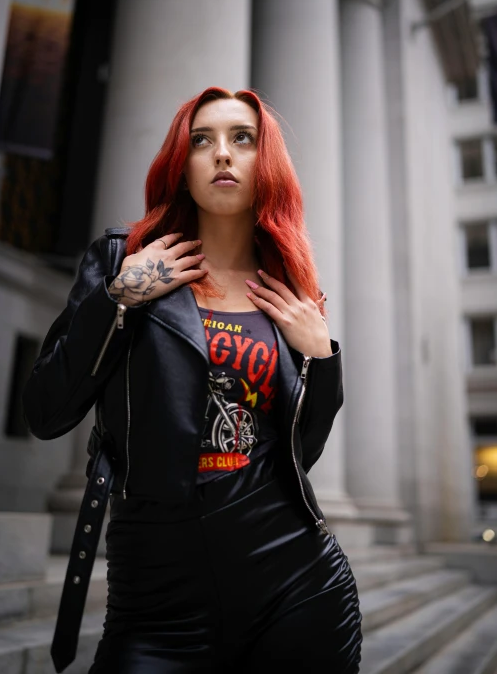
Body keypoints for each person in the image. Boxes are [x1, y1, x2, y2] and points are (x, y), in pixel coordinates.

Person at [23, 86, 363, 673]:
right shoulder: (122, 259)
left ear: (267, 165)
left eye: (243, 139)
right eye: (201, 140)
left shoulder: (288, 291)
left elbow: (298, 454)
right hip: (157, 598)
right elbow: (46, 410)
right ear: (181, 170)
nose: (222, 154)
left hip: (295, 586)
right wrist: (119, 298)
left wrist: (322, 359)